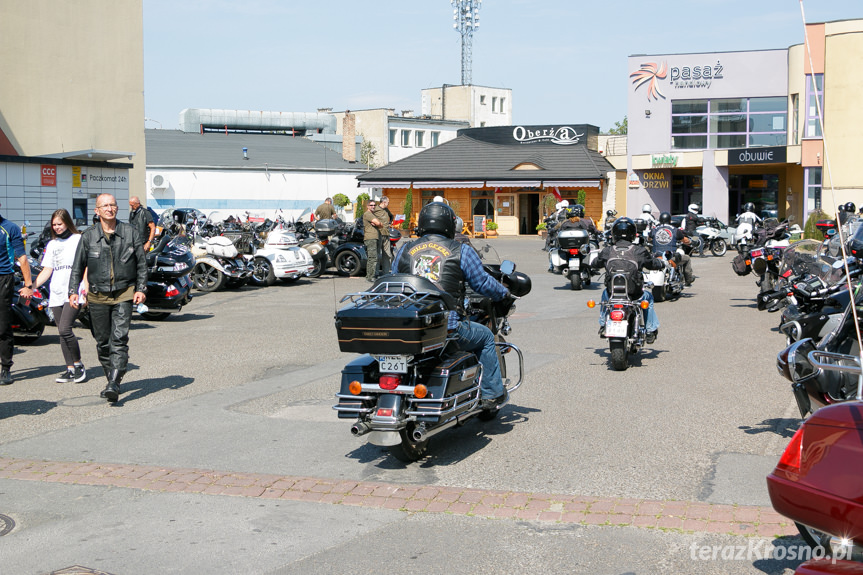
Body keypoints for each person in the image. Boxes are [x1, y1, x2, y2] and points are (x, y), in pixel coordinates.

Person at [391, 202, 511, 410]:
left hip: (409, 324)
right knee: (485, 337)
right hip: (447, 326)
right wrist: (504, 292)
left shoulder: (405, 249)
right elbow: (481, 282)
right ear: (449, 224)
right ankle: (492, 394)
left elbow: (394, 279)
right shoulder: (460, 250)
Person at [69, 193, 148, 402]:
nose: (109, 209)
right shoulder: (88, 236)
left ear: (117, 208)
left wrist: (141, 288)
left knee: (119, 339)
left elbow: (141, 264)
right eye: (104, 206)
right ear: (97, 210)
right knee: (103, 342)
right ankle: (111, 379)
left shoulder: (130, 233)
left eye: (112, 204)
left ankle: (114, 383)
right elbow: (77, 267)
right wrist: (73, 291)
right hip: (97, 296)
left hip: (124, 292)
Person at [33, 209, 87, 383]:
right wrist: (31, 286)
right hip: (56, 291)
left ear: (67, 223)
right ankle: (69, 369)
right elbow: (47, 270)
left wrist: (84, 288)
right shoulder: (52, 244)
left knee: (66, 328)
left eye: (60, 224)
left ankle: (79, 365)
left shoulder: (78, 239)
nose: (56, 227)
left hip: (74, 290)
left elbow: (86, 266)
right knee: (61, 333)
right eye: (54, 225)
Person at [592, 217, 662, 343]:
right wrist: (660, 263)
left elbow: (595, 263)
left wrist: (594, 262)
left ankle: (603, 324)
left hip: (612, 294)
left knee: (605, 295)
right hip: (634, 293)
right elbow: (652, 264)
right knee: (648, 298)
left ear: (614, 233)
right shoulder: (639, 251)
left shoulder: (608, 250)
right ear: (632, 234)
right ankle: (650, 330)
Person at [0, 204, 34, 385]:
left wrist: (29, 285)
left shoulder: (9, 228)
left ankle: (5, 368)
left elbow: (22, 258)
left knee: (3, 326)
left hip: (3, 278)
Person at [651, 211, 695, 286]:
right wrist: (691, 242)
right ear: (670, 220)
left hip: (656, 256)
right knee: (687, 258)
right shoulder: (675, 230)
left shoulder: (654, 230)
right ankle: (688, 280)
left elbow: (649, 239)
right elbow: (685, 240)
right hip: (670, 256)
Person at [362, 199, 383, 281]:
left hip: (375, 237)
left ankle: (373, 274)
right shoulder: (368, 214)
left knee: (375, 257)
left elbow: (380, 225)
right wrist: (378, 223)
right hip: (370, 238)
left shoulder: (373, 214)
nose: (373, 206)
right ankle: (371, 276)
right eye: (371, 205)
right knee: (372, 257)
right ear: (367, 206)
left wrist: (379, 223)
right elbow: (378, 223)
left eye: (374, 205)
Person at [373, 196, 393, 273]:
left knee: (387, 254)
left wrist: (390, 222)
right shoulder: (375, 209)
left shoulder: (386, 210)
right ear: (384, 202)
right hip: (378, 234)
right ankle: (376, 272)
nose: (388, 204)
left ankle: (386, 272)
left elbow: (391, 216)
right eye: (388, 202)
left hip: (386, 234)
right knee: (377, 254)